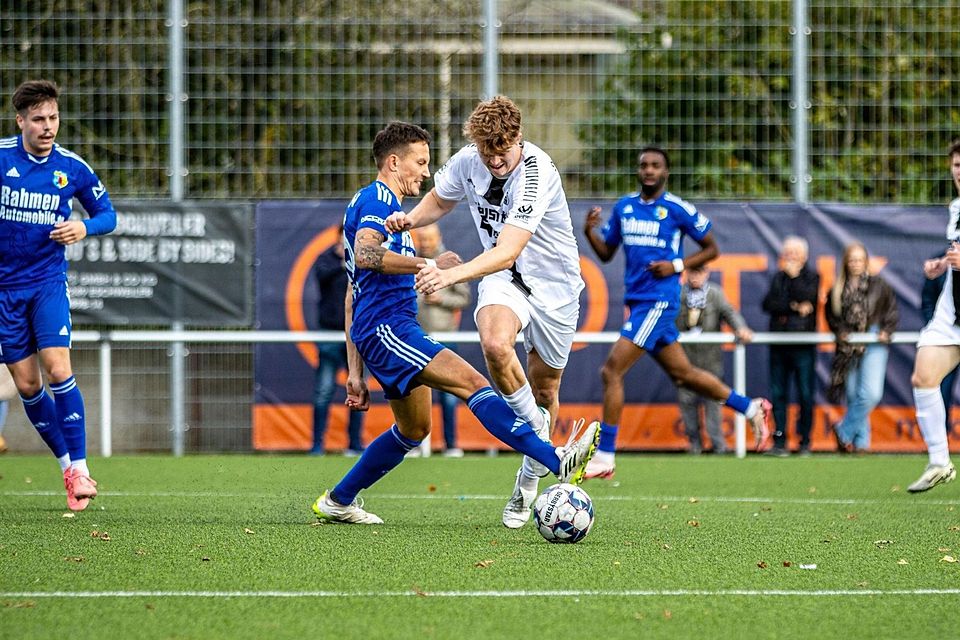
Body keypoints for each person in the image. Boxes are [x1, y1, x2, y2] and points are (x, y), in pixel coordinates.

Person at [311, 121, 598, 525]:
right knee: (474, 384)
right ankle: (554, 458)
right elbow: (367, 256)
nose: (426, 172)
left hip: (377, 332)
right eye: (420, 162)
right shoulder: (377, 200)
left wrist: (355, 371)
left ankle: (338, 501)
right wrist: (426, 264)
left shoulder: (383, 209)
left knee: (413, 430)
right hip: (390, 330)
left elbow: (352, 290)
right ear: (394, 162)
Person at [385, 96, 586, 529]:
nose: (494, 160)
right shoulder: (468, 159)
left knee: (546, 390)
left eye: (502, 150)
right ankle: (545, 446)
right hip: (506, 279)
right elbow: (440, 199)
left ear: (518, 137)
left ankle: (528, 482)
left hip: (555, 291)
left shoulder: (537, 172)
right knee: (495, 343)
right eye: (485, 151)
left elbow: (509, 247)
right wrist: (409, 220)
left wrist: (450, 277)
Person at [581, 146, 771, 479]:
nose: (649, 170)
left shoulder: (676, 208)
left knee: (611, 371)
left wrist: (677, 265)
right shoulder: (625, 207)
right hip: (639, 301)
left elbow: (712, 249)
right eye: (644, 165)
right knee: (684, 375)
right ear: (638, 170)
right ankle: (751, 407)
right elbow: (608, 253)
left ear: (665, 172)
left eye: (656, 166)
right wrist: (589, 232)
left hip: (660, 301)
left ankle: (606, 455)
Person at [0, 79, 117, 510]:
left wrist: (84, 226)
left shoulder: (73, 168)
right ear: (21, 121)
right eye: (38, 120)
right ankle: (68, 466)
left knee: (57, 366)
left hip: (47, 283)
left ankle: (82, 468)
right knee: (28, 385)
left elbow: (108, 214)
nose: (48, 127)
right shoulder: (1, 159)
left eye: (53, 118)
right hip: (3, 292)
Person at [907, 139, 960, 492]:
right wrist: (942, 264)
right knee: (924, 376)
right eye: (956, 165)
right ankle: (940, 461)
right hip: (952, 312)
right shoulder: (956, 207)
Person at [825, 242, 898, 453]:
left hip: (873, 339)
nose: (856, 264)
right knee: (853, 394)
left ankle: (843, 431)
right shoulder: (837, 289)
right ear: (846, 263)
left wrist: (887, 329)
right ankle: (861, 443)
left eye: (859, 259)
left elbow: (891, 310)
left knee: (871, 394)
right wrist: (840, 332)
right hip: (848, 346)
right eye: (852, 260)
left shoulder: (879, 285)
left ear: (865, 261)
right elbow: (830, 315)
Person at [676, 263, 754, 454]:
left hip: (710, 359)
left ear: (706, 273)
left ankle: (718, 445)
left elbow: (729, 312)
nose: (695, 277)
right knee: (687, 401)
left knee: (714, 401)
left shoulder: (715, 294)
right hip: (684, 359)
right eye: (692, 272)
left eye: (699, 272)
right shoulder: (677, 294)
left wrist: (741, 328)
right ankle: (694, 444)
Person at [414, 223, 471, 457]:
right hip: (416, 336)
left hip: (444, 337)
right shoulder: (409, 261)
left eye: (429, 239)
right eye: (422, 239)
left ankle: (451, 444)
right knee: (416, 395)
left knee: (448, 395)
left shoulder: (450, 263)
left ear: (439, 237)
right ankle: (416, 444)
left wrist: (441, 299)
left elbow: (464, 298)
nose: (426, 244)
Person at [761, 236, 820, 457]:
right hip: (779, 344)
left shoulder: (812, 277)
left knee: (805, 393)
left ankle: (805, 440)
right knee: (779, 394)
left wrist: (794, 281)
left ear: (804, 256)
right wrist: (795, 307)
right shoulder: (778, 278)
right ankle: (780, 440)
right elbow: (768, 304)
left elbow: (808, 298)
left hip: (803, 344)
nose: (790, 259)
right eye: (787, 254)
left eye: (794, 254)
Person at [310, 230, 365, 456]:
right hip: (330, 335)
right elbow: (321, 276)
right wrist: (343, 265)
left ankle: (354, 444)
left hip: (354, 334)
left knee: (357, 390)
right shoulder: (326, 259)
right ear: (338, 238)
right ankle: (317, 445)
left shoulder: (362, 261)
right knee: (323, 390)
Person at [921, 251, 958, 423]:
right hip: (948, 331)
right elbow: (928, 299)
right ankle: (939, 443)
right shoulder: (948, 256)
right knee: (926, 380)